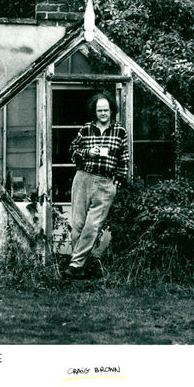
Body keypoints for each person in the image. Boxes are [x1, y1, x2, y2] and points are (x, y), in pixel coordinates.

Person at [62, 92, 129, 280]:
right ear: (94, 111)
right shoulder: (86, 130)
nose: (103, 113)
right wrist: (86, 152)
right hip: (83, 178)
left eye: (106, 110)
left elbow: (124, 159)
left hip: (105, 182)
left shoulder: (120, 132)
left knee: (92, 226)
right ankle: (80, 267)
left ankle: (74, 264)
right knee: (77, 224)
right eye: (99, 110)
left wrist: (119, 178)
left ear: (111, 111)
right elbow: (72, 151)